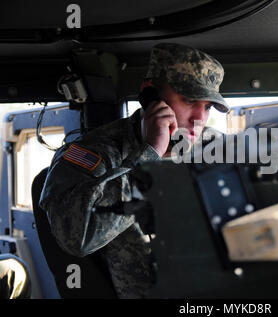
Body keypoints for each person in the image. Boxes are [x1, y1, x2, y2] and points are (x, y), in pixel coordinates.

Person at [39, 43, 229, 298]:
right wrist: (151, 153)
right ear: (150, 95)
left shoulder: (218, 148)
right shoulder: (95, 153)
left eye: (207, 107)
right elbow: (78, 238)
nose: (199, 118)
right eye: (189, 100)